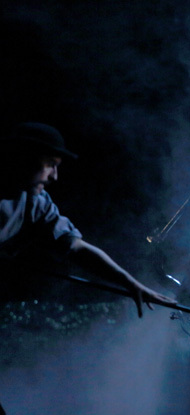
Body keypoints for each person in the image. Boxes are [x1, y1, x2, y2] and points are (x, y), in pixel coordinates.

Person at [0, 122, 175, 317]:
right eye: (50, 165)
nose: (54, 177)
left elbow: (77, 248)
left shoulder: (37, 204)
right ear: (24, 157)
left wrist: (132, 285)